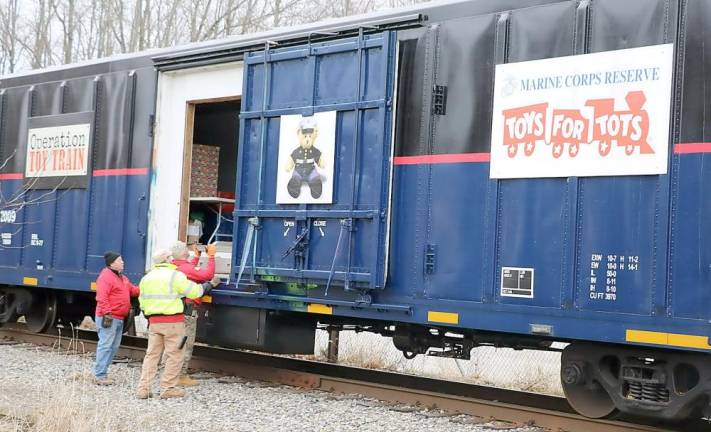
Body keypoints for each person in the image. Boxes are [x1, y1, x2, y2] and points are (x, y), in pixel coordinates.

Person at [136, 249, 214, 399]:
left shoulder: (147, 278)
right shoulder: (175, 276)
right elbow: (195, 292)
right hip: (173, 322)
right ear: (167, 259)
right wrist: (208, 286)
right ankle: (168, 388)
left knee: (151, 356)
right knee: (175, 355)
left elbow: (142, 302)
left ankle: (143, 389)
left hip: (154, 322)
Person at [170, 240, 217, 387]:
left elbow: (189, 269)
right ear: (185, 253)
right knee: (186, 343)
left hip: (174, 311)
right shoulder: (185, 268)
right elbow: (207, 275)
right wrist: (211, 256)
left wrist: (196, 257)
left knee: (173, 344)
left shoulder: (173, 266)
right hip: (187, 312)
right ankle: (181, 376)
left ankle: (170, 373)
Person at [94, 251, 139, 385]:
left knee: (113, 347)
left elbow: (134, 291)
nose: (123, 262)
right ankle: (99, 375)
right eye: (120, 260)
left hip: (118, 318)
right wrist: (108, 314)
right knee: (106, 345)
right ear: (112, 263)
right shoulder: (106, 277)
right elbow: (102, 297)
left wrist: (148, 286)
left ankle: (103, 373)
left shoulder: (122, 278)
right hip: (109, 317)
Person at [285, 116, 326, 199]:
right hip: (298, 170)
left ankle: (315, 187)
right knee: (295, 179)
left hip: (311, 170)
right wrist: (288, 167)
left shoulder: (314, 150)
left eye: (310, 136)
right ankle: (294, 186)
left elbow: (320, 160)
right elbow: (291, 160)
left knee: (315, 180)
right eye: (305, 136)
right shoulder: (297, 151)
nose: (307, 139)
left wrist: (321, 162)